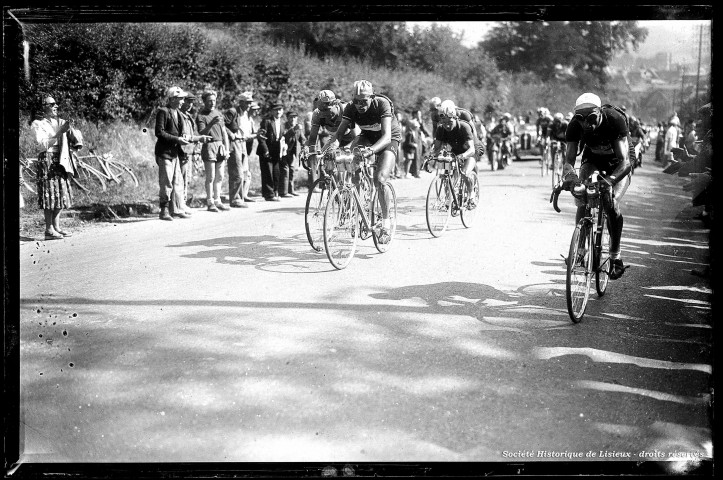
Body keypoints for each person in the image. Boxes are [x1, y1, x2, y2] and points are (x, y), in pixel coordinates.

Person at [561, 92, 632, 280]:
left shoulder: (615, 120)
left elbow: (625, 162)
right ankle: (580, 250)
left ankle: (616, 258)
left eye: (591, 117)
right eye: (581, 119)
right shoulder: (574, 126)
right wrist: (571, 177)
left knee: (611, 202)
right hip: (592, 160)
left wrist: (609, 181)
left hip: (617, 163)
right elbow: (569, 160)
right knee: (582, 197)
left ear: (600, 112)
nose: (586, 124)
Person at [325, 80, 402, 243]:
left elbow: (387, 136)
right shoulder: (351, 107)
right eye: (356, 101)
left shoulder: (382, 104)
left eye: (364, 101)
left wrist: (371, 151)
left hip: (388, 139)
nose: (359, 105)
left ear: (372, 97)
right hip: (366, 137)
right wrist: (331, 147)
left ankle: (386, 225)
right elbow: (338, 134)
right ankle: (359, 214)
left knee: (380, 179)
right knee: (351, 167)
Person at [31, 95, 78, 238]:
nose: (55, 106)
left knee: (61, 192)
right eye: (52, 104)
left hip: (61, 159)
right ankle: (48, 229)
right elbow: (43, 144)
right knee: (49, 194)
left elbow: (70, 140)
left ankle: (57, 227)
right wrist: (60, 133)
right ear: (44, 107)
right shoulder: (37, 124)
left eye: (56, 104)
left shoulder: (59, 122)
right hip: (47, 159)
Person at [427, 100, 480, 204]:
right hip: (456, 149)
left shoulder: (464, 126)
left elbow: (472, 149)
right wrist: (431, 156)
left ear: (455, 118)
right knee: (447, 173)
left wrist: (463, 156)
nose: (447, 126)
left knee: (464, 173)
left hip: (471, 151)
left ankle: (471, 195)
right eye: (444, 122)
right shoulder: (441, 129)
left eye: (449, 122)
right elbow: (437, 148)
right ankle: (449, 199)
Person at [303, 89, 358, 186]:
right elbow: (312, 139)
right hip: (335, 139)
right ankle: (335, 189)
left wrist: (353, 151)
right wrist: (307, 149)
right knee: (327, 159)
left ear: (335, 104)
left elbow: (356, 137)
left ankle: (356, 184)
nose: (325, 114)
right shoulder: (317, 114)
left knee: (353, 165)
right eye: (322, 111)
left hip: (352, 137)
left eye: (327, 109)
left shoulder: (345, 109)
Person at [154, 86, 191, 220]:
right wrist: (177, 139)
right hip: (164, 152)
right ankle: (164, 210)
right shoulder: (163, 112)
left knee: (177, 181)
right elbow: (159, 132)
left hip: (175, 153)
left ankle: (176, 209)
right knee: (166, 181)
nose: (182, 101)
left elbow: (181, 132)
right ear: (173, 99)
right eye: (180, 99)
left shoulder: (178, 114)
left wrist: (184, 138)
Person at [196, 90, 231, 212]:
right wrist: (210, 123)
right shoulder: (201, 115)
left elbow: (224, 132)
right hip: (209, 146)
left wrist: (226, 149)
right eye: (209, 101)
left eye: (214, 101)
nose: (212, 103)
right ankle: (210, 202)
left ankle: (218, 200)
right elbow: (201, 133)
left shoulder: (218, 113)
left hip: (220, 145)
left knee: (220, 175)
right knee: (210, 176)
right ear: (204, 101)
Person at [178, 91, 212, 214]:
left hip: (188, 151)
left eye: (191, 102)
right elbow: (184, 136)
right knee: (180, 179)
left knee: (186, 178)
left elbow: (191, 135)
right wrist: (199, 138)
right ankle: (179, 204)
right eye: (187, 102)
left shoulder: (188, 117)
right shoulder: (178, 115)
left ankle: (183, 203)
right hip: (180, 151)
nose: (189, 105)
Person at [223, 91, 252, 208]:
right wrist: (230, 134)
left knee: (244, 172)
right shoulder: (232, 112)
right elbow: (223, 124)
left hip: (243, 142)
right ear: (241, 102)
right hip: (234, 143)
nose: (249, 105)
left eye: (250, 103)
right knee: (237, 172)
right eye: (247, 102)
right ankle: (235, 199)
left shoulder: (245, 114)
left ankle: (241, 196)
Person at [257, 101, 286, 200]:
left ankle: (275, 192)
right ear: (272, 111)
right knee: (267, 172)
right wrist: (265, 150)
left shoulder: (282, 122)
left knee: (276, 172)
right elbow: (261, 137)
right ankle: (269, 194)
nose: (278, 112)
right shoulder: (267, 121)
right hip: (266, 149)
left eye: (280, 110)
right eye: (276, 110)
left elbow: (282, 137)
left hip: (276, 151)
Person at [282, 110, 306, 196]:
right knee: (285, 170)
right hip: (284, 151)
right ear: (287, 118)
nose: (293, 119)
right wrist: (293, 130)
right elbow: (284, 135)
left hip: (293, 152)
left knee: (292, 170)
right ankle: (284, 192)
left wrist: (304, 146)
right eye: (291, 117)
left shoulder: (298, 127)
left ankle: (291, 190)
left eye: (294, 117)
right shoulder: (284, 126)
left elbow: (302, 138)